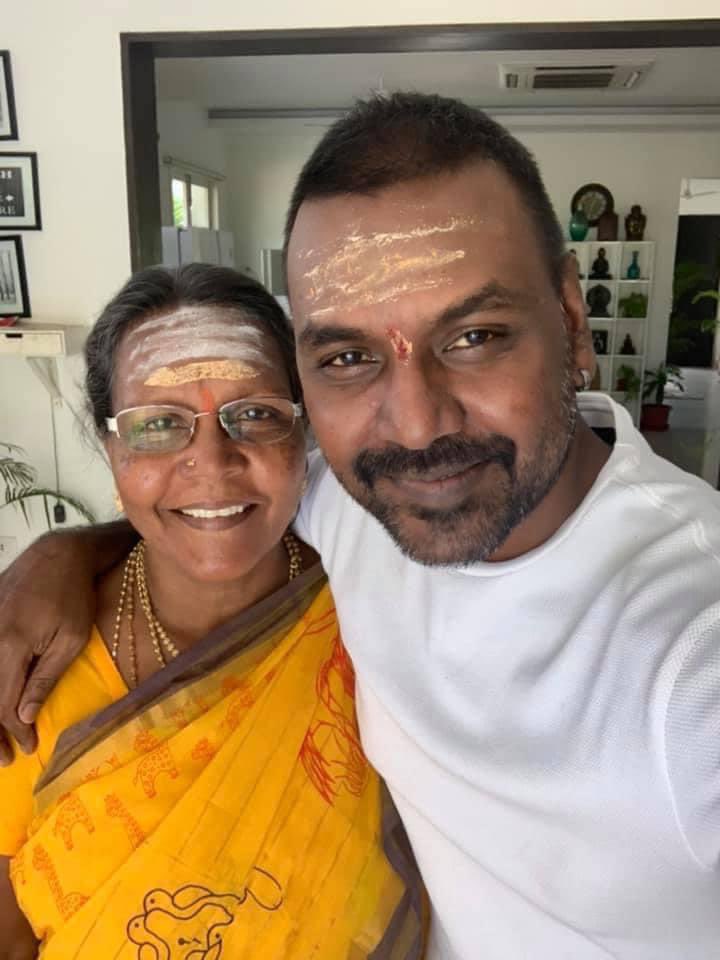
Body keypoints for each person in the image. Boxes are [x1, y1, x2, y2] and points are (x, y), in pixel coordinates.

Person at [2, 92, 720, 958]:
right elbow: (207, 505)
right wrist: (60, 553)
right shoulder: (355, 498)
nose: (414, 426)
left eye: (475, 336)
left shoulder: (689, 646)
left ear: (572, 321)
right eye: (348, 357)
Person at [0, 263, 425, 959]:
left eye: (254, 414)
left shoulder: (378, 606)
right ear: (111, 451)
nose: (213, 463)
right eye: (159, 425)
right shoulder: (31, 659)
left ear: (304, 432)